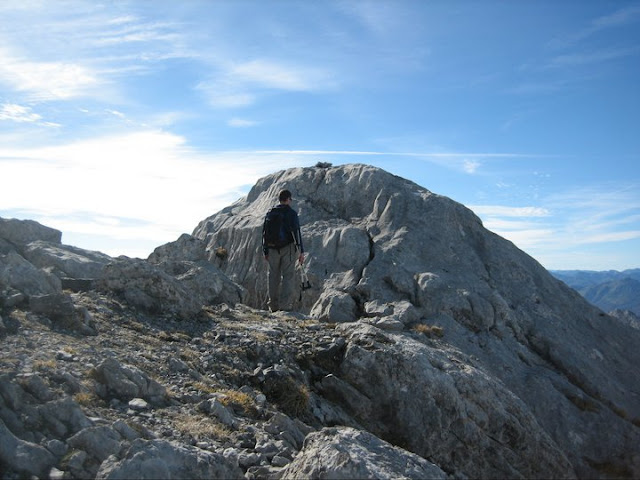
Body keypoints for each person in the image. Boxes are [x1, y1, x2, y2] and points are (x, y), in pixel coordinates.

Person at [262, 189, 305, 312]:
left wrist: (265, 251)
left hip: (272, 248)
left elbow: (264, 233)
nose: (291, 201)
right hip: (288, 248)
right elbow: (297, 233)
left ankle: (273, 306)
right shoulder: (291, 213)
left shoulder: (270, 213)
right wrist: (301, 252)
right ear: (287, 199)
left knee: (273, 276)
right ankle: (285, 306)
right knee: (288, 276)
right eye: (290, 199)